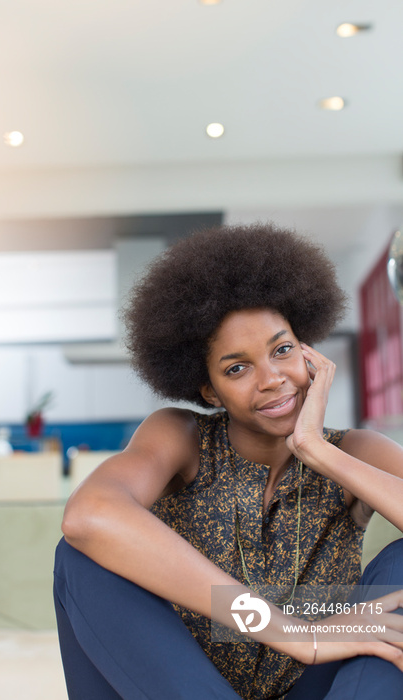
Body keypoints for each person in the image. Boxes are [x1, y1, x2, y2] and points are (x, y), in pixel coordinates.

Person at [54, 223, 403, 700]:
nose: (272, 378)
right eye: (237, 368)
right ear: (209, 392)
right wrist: (289, 631)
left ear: (310, 357)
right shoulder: (182, 436)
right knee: (80, 557)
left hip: (315, 686)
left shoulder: (354, 450)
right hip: (183, 681)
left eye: (282, 350)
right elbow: (87, 515)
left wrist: (318, 450)